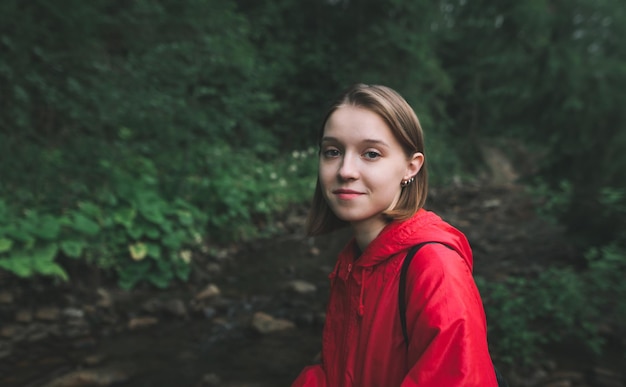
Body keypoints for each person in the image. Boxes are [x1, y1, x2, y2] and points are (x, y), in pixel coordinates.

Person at [291, 84, 498, 386]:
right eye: (332, 152)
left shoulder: (435, 268)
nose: (345, 170)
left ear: (410, 167)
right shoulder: (355, 261)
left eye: (371, 154)